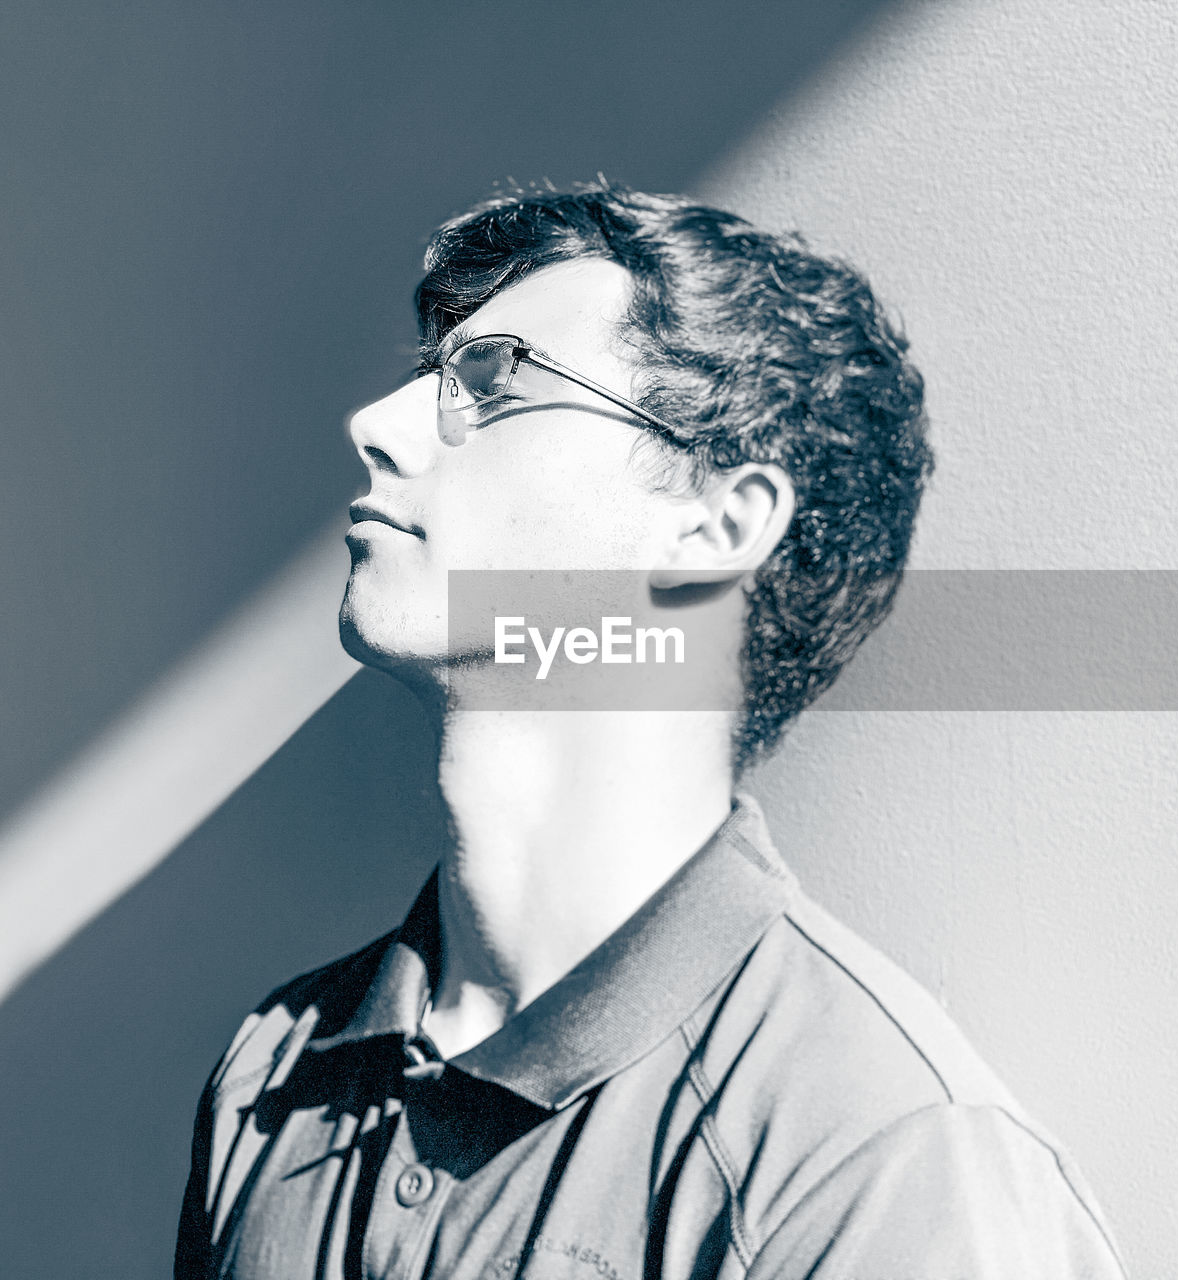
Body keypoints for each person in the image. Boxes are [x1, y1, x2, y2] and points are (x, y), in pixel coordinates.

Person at [175, 184, 1128, 1278]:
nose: (378, 424)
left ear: (715, 527)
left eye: (491, 381)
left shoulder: (876, 1162)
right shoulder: (276, 1068)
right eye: (427, 376)